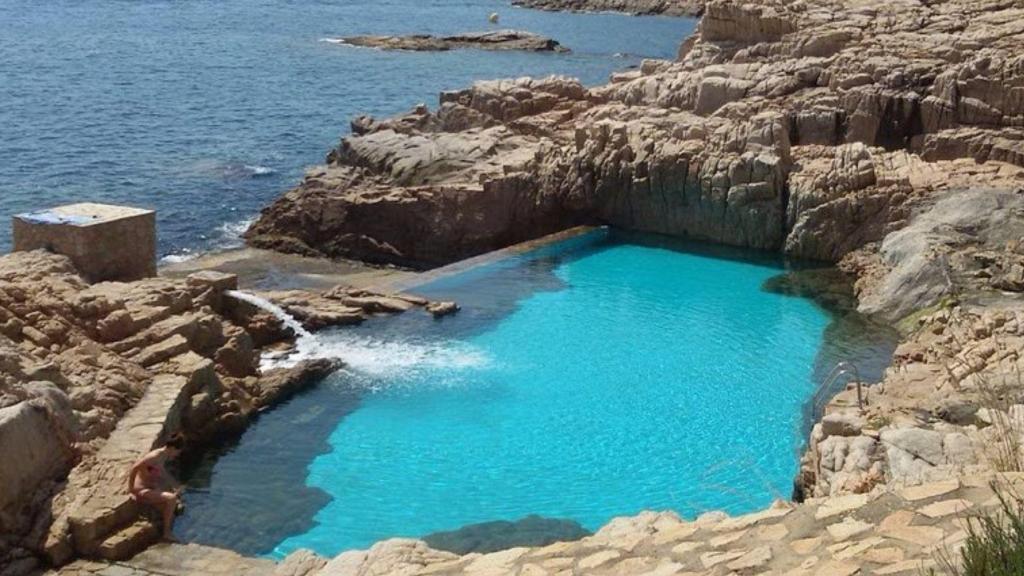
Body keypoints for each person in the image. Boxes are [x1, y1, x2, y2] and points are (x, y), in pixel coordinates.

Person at [128, 433, 185, 541]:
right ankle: (166, 533)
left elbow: (163, 474)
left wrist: (176, 486)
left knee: (172, 500)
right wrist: (131, 490)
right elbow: (134, 468)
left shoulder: (163, 456)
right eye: (178, 451)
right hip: (142, 489)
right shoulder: (154, 456)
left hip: (152, 486)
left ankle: (166, 524)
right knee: (172, 499)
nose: (178, 454)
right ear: (172, 448)